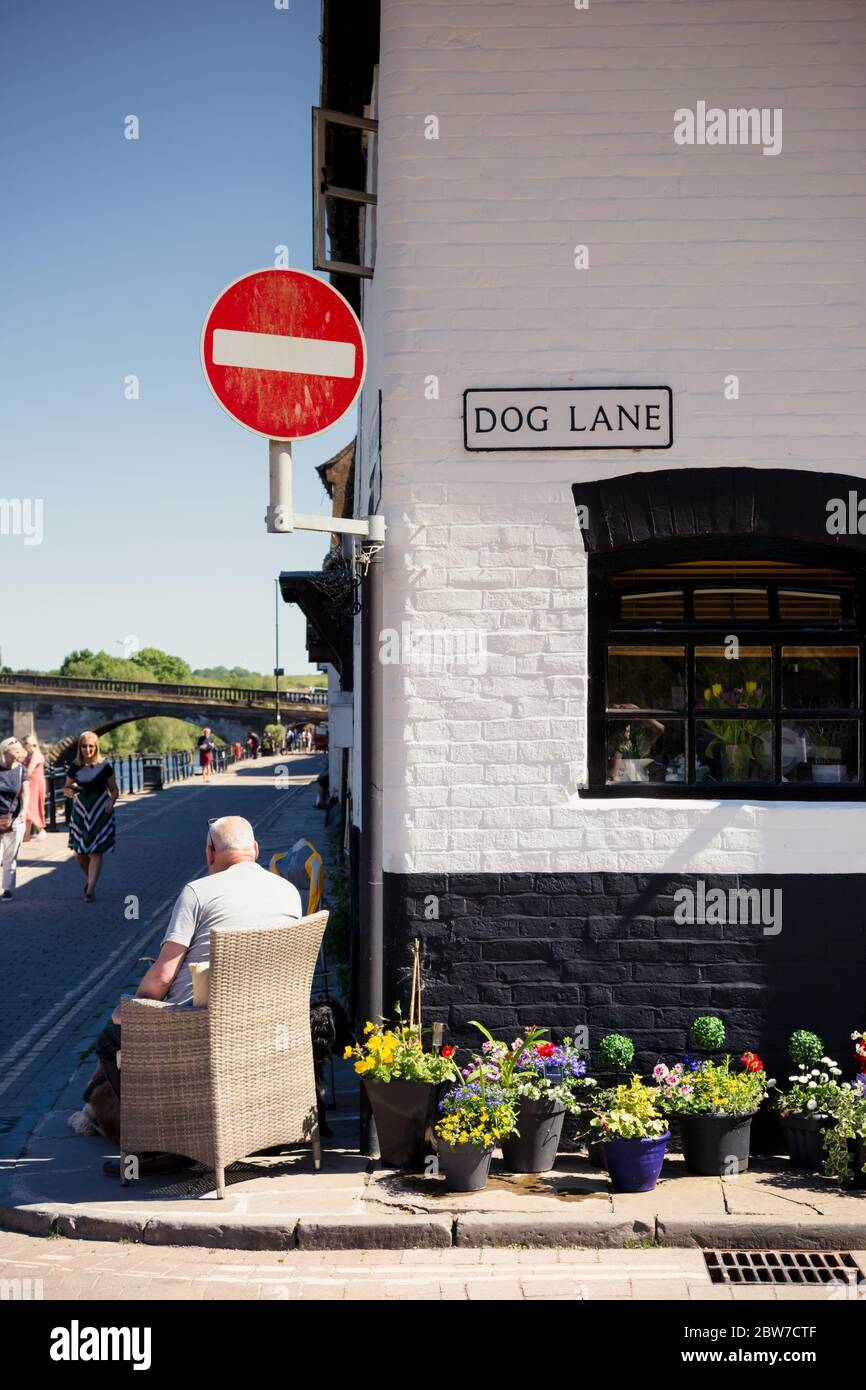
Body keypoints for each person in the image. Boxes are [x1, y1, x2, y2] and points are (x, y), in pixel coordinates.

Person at [95, 815, 303, 1175]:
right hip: (272, 1029)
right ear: (255, 849)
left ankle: (166, 1144)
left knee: (111, 1039)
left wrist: (132, 1009)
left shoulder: (198, 892)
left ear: (210, 853)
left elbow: (162, 975)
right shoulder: (287, 891)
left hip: (203, 1032)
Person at [64, 731, 119, 902]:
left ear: (96, 747)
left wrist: (111, 801)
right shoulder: (74, 767)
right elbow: (66, 788)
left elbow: (114, 789)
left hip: (100, 810)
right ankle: (91, 880)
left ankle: (90, 890)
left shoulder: (104, 766)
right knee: (79, 855)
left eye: (91, 746)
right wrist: (71, 791)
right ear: (80, 748)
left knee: (95, 851)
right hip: (81, 810)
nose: (88, 749)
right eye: (84, 746)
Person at [0, 738, 29, 901]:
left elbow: (26, 793)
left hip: (14, 819)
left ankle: (7, 889)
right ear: (5, 751)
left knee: (10, 857)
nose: (20, 753)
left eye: (20, 750)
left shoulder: (21, 770)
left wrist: (24, 811)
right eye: (16, 750)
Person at [21, 733, 47, 840]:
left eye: (24, 745)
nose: (23, 747)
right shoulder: (29, 755)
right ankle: (26, 835)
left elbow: (28, 771)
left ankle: (41, 830)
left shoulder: (36, 755)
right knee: (28, 808)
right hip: (30, 784)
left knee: (32, 807)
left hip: (35, 784)